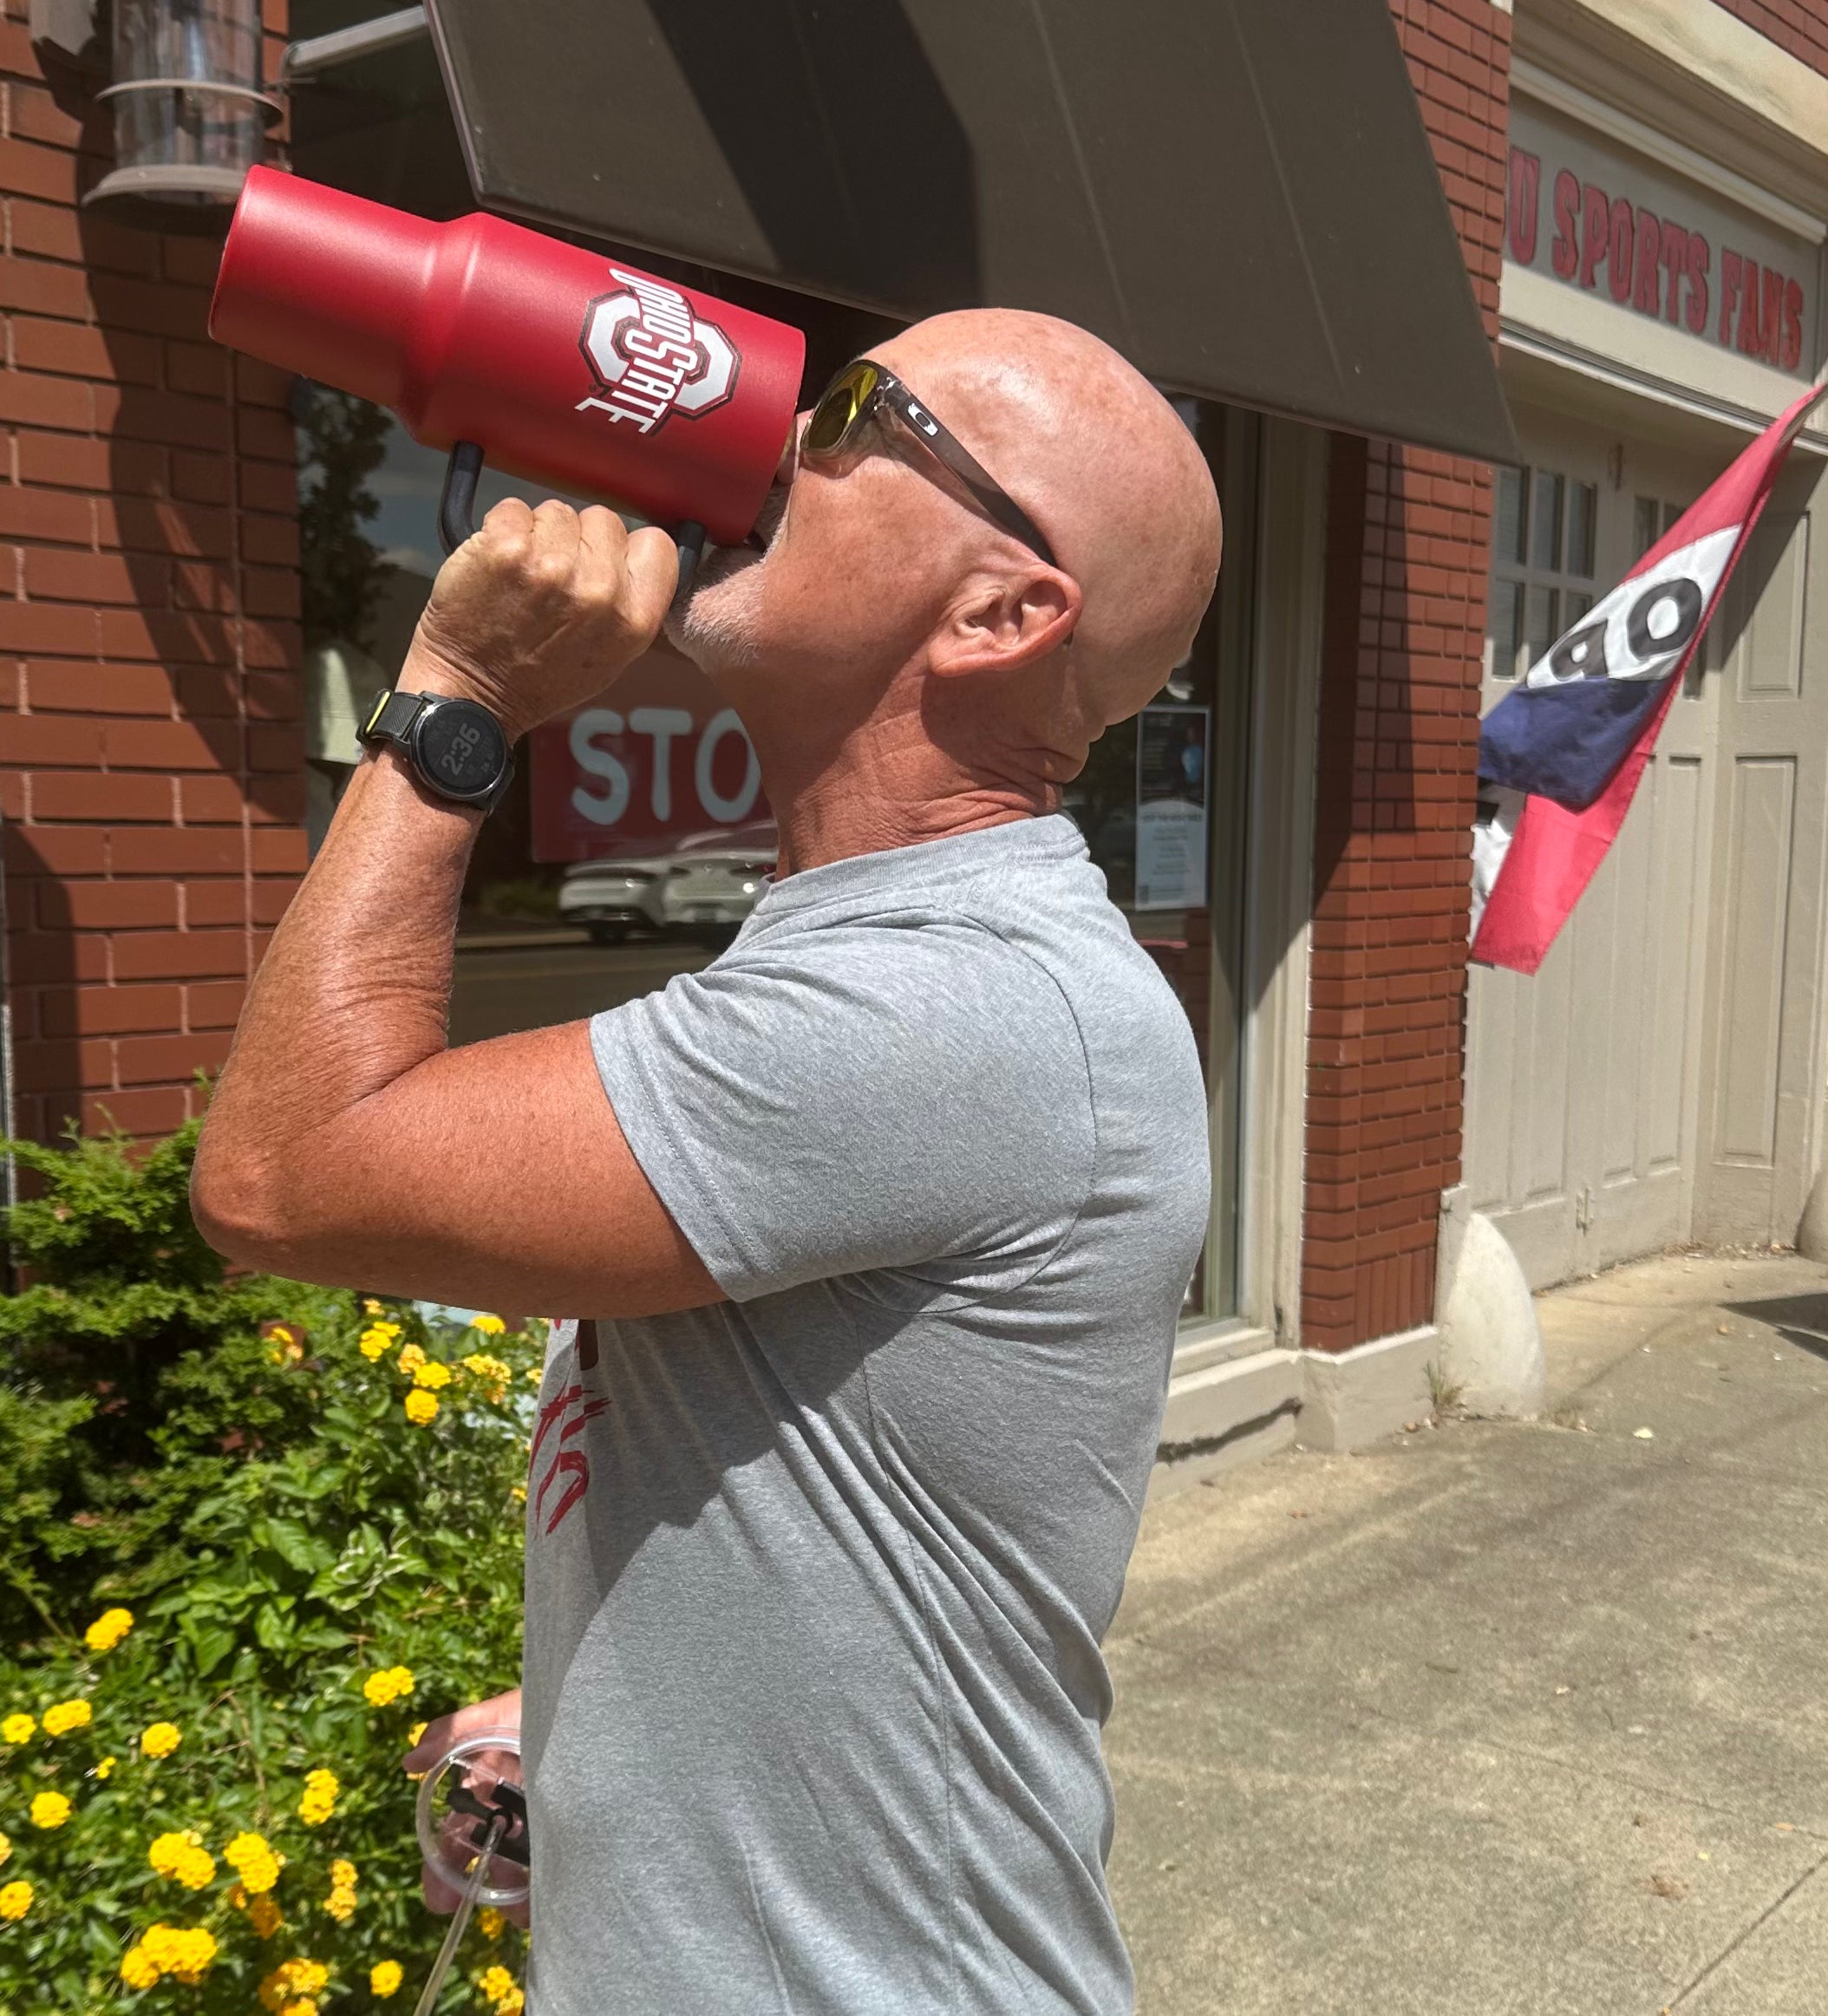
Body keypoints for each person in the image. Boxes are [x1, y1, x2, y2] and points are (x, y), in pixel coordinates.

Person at [192, 307, 1222, 2014]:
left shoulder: (961, 1002)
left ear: (1001, 610)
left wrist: (458, 701)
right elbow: (794, 1482)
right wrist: (589, 1736)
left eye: (860, 413)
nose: (783, 438)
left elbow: (280, 1169)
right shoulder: (873, 957)